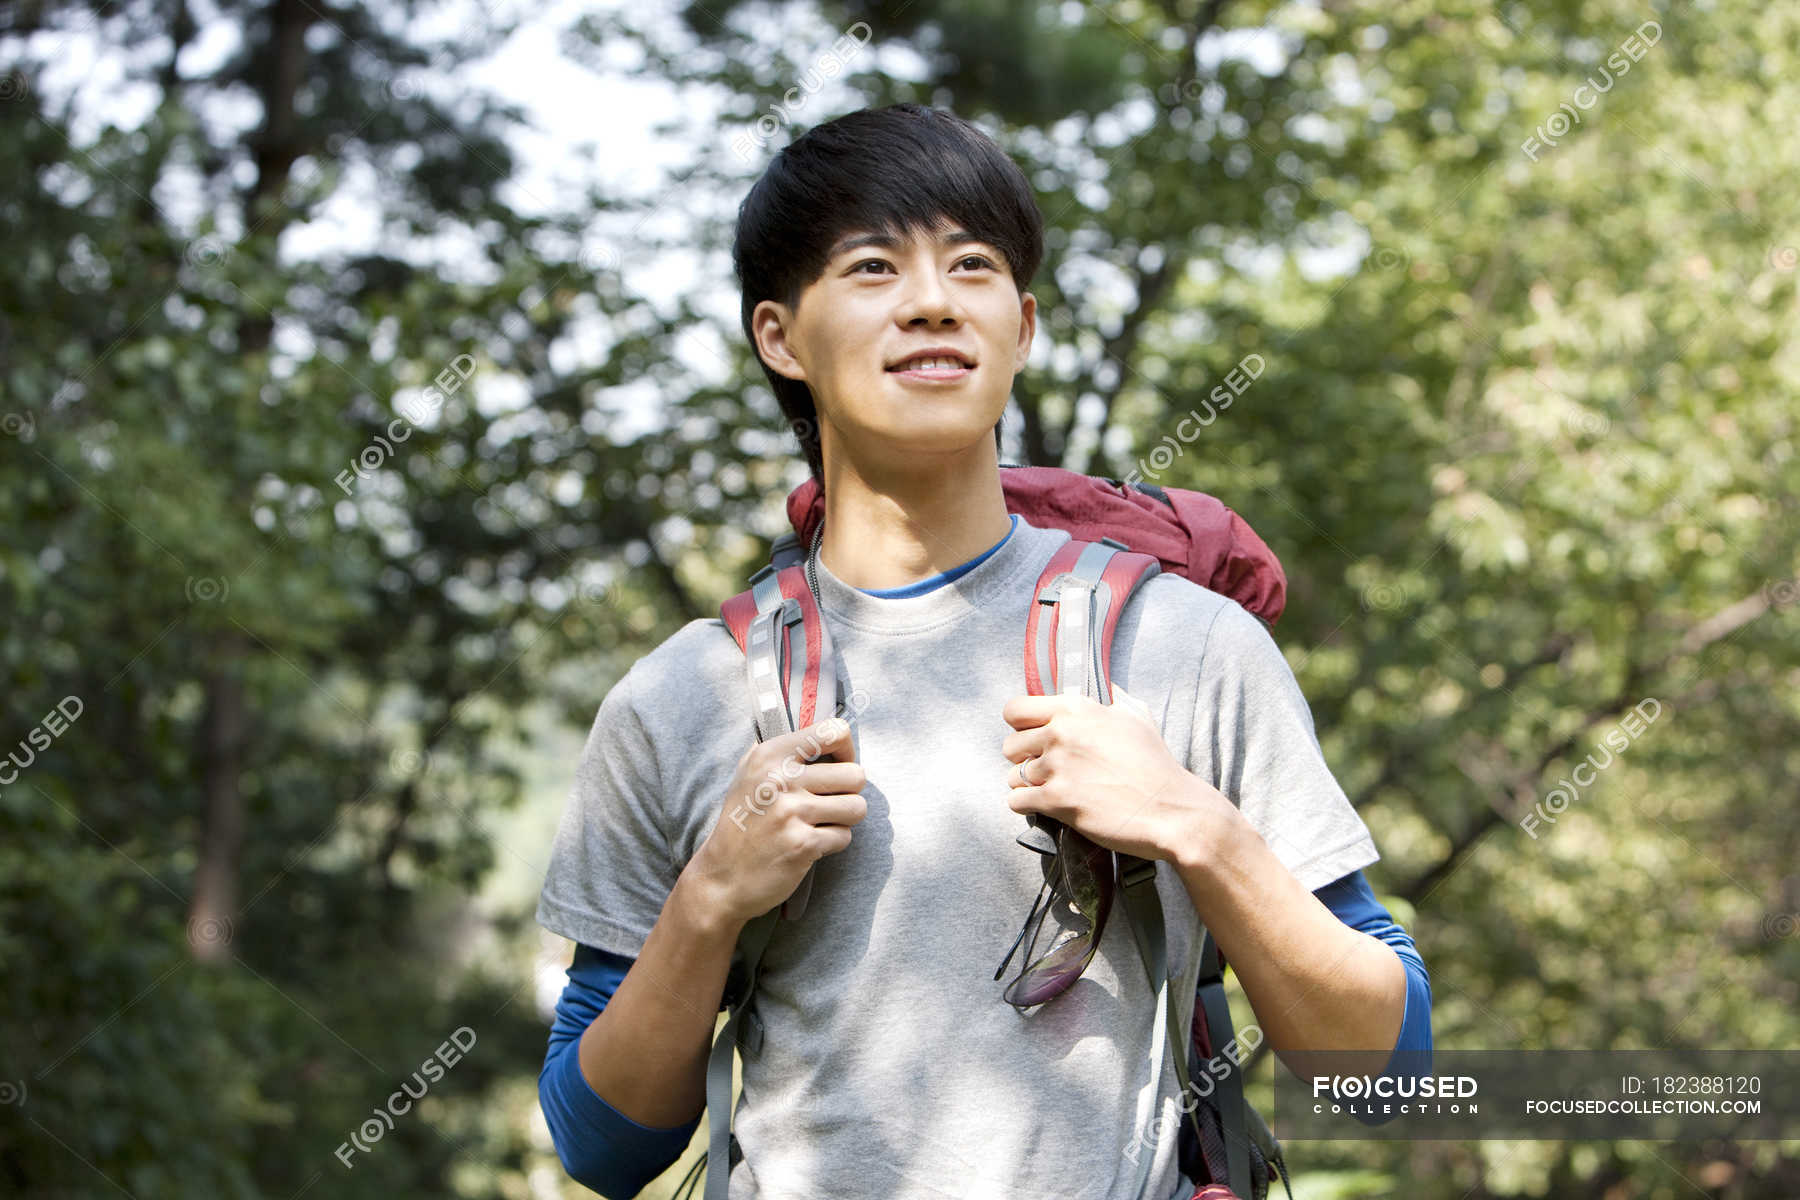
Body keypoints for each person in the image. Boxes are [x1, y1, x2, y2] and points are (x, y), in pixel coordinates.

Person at [534, 102, 1431, 1199]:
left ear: (1023, 323)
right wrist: (712, 894)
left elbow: (1384, 1079)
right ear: (779, 336)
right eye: (871, 267)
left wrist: (1197, 829)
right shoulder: (680, 697)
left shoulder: (1188, 647)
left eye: (971, 265)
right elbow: (601, 1147)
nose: (930, 304)